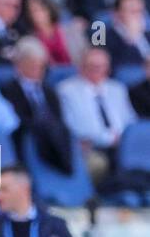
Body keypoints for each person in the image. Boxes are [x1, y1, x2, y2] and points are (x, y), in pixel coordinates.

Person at [57, 46, 137, 185]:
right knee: (98, 163)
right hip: (90, 147)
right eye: (92, 66)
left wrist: (124, 137)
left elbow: (131, 120)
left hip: (121, 145)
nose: (97, 71)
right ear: (81, 67)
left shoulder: (117, 89)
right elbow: (71, 125)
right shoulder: (67, 90)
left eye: (101, 66)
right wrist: (108, 138)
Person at [1, 36, 75, 174]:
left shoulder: (49, 92)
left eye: (40, 66)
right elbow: (16, 121)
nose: (37, 70)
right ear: (19, 65)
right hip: (28, 142)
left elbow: (59, 119)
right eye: (32, 65)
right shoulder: (8, 90)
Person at [106, 0, 150, 69]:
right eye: (132, 11)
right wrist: (131, 39)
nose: (137, 15)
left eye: (140, 11)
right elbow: (117, 68)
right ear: (116, 14)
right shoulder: (106, 37)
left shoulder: (147, 35)